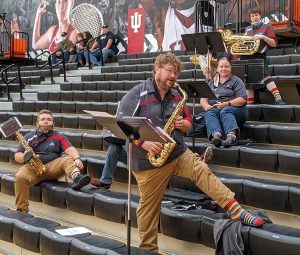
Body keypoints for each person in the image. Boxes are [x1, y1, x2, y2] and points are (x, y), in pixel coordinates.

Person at [116, 52, 263, 253]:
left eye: (176, 73)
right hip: (148, 161)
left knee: (201, 170)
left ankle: (236, 210)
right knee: (148, 209)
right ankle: (148, 250)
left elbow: (188, 122)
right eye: (169, 71)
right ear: (157, 69)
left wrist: (186, 125)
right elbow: (121, 124)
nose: (173, 76)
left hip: (176, 152)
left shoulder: (177, 94)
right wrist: (143, 143)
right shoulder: (137, 93)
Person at [14, 109, 91, 213]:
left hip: (53, 169)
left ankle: (77, 177)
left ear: (53, 123)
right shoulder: (28, 137)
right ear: (37, 123)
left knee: (67, 159)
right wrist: (25, 157)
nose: (46, 121)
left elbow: (69, 149)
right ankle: (22, 211)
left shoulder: (59, 136)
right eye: (43, 119)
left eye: (49, 119)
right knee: (19, 177)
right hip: (34, 168)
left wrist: (77, 158)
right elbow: (17, 156)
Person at [90, 140, 214, 190]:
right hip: (137, 154)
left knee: (175, 150)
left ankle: (197, 159)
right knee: (113, 147)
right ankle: (105, 181)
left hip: (152, 156)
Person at [200, 56, 248, 148]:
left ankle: (232, 137)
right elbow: (203, 99)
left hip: (237, 110)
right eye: (221, 66)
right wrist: (206, 106)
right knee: (209, 113)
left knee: (225, 110)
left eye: (226, 66)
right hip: (217, 108)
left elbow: (243, 99)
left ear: (231, 68)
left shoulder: (236, 81)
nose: (224, 69)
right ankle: (217, 136)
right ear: (217, 68)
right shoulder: (211, 81)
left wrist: (227, 104)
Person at [241, 7, 285, 105]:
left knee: (266, 78)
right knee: (249, 83)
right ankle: (250, 106)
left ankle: (278, 99)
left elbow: (274, 43)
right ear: (250, 18)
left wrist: (263, 37)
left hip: (259, 56)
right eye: (252, 16)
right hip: (246, 57)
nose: (254, 17)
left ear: (260, 16)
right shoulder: (247, 29)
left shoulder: (267, 26)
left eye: (256, 15)